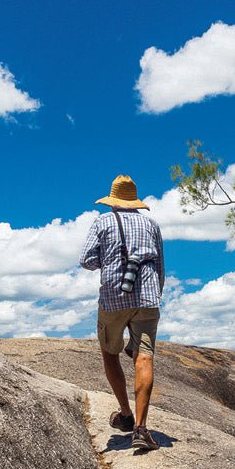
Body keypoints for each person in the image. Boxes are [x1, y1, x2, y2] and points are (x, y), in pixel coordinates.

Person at [80, 175, 165, 450]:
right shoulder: (151, 224)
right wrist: (154, 295)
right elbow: (161, 266)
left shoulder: (103, 222)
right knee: (144, 357)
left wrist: (111, 260)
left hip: (114, 295)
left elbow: (86, 260)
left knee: (110, 352)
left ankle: (125, 415)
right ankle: (141, 428)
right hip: (148, 295)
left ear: (113, 201)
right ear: (135, 201)